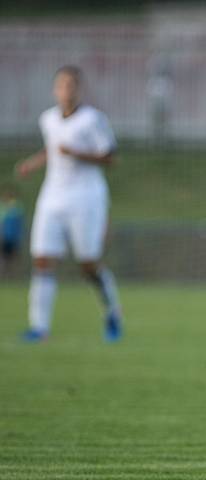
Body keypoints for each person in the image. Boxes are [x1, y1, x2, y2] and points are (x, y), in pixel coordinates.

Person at [14, 65, 123, 342]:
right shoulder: (48, 119)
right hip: (52, 196)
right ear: (55, 90)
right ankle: (39, 327)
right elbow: (53, 150)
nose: (66, 90)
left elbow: (110, 158)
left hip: (86, 197)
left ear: (78, 89)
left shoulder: (92, 120)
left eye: (71, 85)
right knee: (42, 259)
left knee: (88, 263)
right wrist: (33, 164)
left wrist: (77, 153)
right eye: (61, 85)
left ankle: (111, 310)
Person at [0, 184, 24, 275]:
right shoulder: (3, 207)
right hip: (5, 237)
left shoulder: (16, 206)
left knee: (14, 257)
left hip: (13, 237)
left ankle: (15, 274)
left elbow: (19, 222)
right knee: (4, 257)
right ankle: (4, 274)